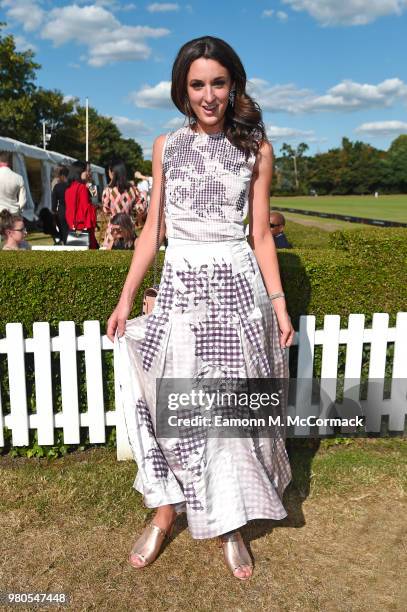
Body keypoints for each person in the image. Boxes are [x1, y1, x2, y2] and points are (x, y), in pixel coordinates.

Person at [107, 35, 294, 581]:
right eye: (197, 85)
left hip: (236, 287)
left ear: (233, 84)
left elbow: (260, 235)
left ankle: (230, 521)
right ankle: (166, 510)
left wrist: (278, 306)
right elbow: (150, 234)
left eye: (217, 82)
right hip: (181, 285)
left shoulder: (256, 149)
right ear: (181, 90)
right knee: (171, 400)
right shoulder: (166, 145)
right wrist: (124, 300)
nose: (208, 95)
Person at [102, 160, 140, 248]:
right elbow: (140, 208)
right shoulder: (133, 189)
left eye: (109, 171)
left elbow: (105, 210)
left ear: (112, 172)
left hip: (113, 229)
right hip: (128, 228)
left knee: (110, 257)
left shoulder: (108, 191)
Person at [65, 161, 98, 249]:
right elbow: (92, 203)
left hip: (72, 224)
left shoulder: (69, 188)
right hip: (83, 225)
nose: (88, 173)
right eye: (86, 171)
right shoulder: (82, 187)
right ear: (79, 172)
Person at [51, 165, 70, 244]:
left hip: (62, 211)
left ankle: (65, 244)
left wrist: (54, 211)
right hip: (72, 210)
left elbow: (54, 202)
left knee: (63, 231)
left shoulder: (57, 187)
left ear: (62, 176)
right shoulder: (72, 186)